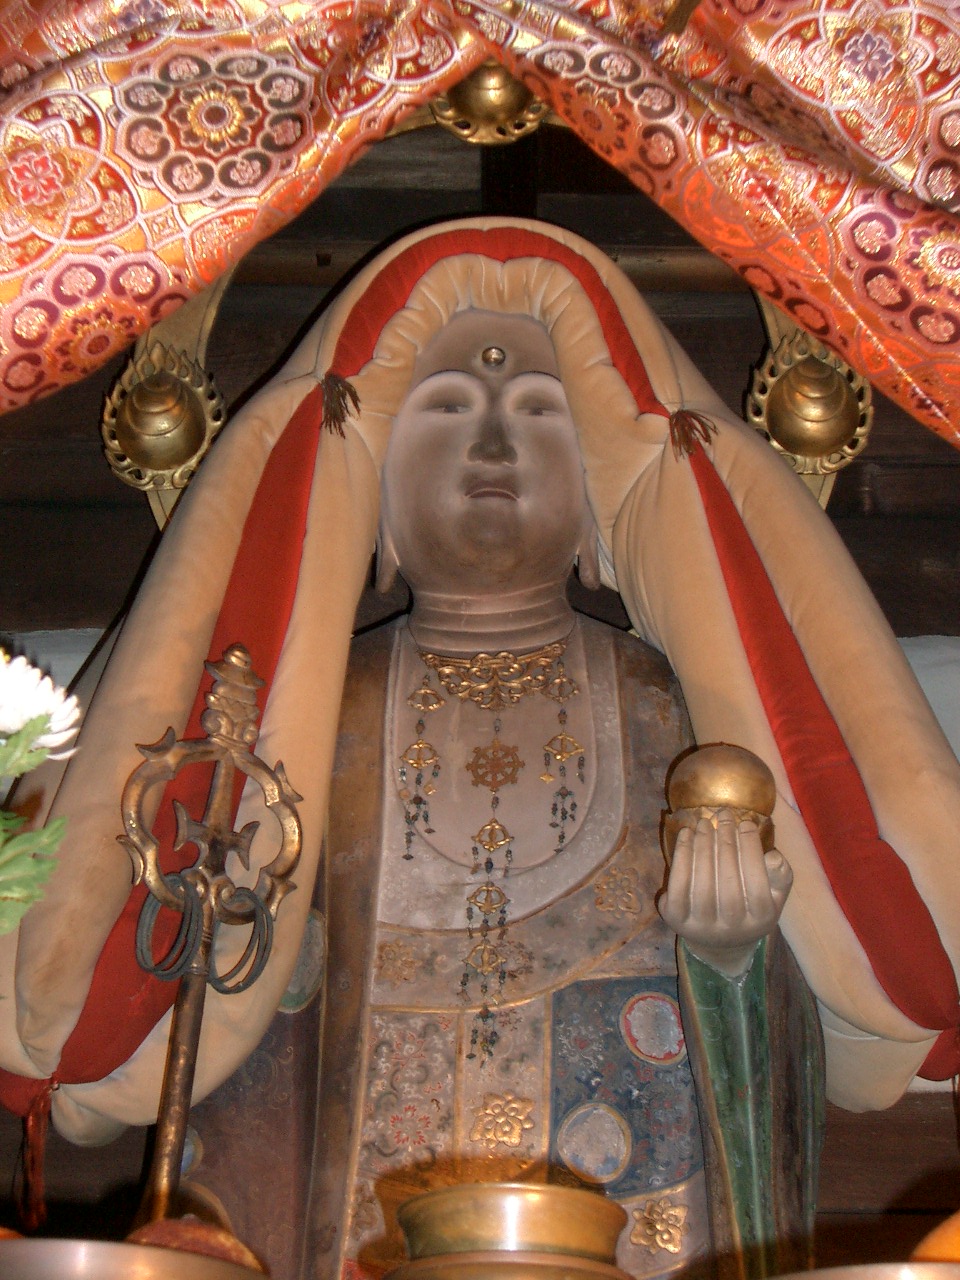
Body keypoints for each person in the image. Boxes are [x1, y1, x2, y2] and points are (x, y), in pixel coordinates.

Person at [1, 219, 959, 1275]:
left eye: (540, 413)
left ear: (599, 518)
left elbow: (779, 1046)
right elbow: (247, 1050)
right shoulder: (310, 723)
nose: (494, 447)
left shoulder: (673, 714)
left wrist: (732, 962)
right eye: (448, 409)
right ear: (378, 521)